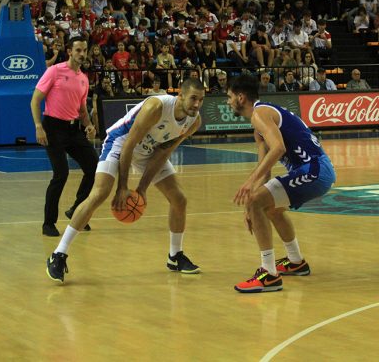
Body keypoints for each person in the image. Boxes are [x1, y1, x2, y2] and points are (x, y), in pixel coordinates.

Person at [45, 78, 206, 283]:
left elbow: (163, 152)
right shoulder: (156, 107)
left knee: (179, 199)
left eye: (201, 100)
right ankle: (58, 254)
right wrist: (122, 187)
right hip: (121, 142)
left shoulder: (194, 121)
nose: (197, 105)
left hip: (149, 151)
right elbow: (129, 144)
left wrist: (142, 188)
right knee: (100, 193)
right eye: (193, 98)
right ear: (180, 95)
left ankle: (175, 256)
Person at [227, 74, 336, 292]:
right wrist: (251, 203)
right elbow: (264, 171)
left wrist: (249, 185)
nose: (228, 102)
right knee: (269, 208)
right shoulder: (258, 123)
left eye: (229, 97)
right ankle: (296, 262)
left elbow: (278, 148)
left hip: (314, 169)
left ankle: (269, 274)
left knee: (259, 202)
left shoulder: (260, 113)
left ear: (241, 97)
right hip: (317, 170)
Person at [30, 37, 98, 236]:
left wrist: (89, 125)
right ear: (69, 51)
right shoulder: (55, 71)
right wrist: (38, 127)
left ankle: (77, 211)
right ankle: (48, 223)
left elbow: (82, 110)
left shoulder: (84, 78)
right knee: (61, 175)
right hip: (52, 128)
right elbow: (35, 100)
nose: (82, 54)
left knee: (94, 168)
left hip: (73, 130)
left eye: (84, 50)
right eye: (78, 50)